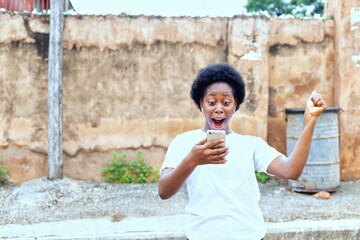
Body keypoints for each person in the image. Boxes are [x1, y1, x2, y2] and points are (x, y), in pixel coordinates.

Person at [158, 63, 327, 240]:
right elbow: (164, 190)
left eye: (226, 102)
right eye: (211, 102)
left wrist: (310, 121)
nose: (218, 108)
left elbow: (291, 170)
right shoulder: (184, 142)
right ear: (201, 104)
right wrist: (192, 160)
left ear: (235, 104)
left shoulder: (250, 145)